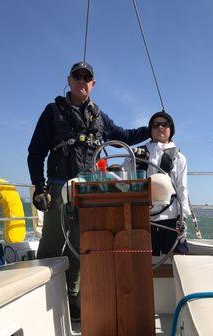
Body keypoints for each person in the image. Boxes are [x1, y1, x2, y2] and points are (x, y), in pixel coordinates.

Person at [27, 61, 150, 321]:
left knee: (80, 247)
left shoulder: (99, 116)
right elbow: (35, 152)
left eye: (87, 77)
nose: (82, 80)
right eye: (77, 76)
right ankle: (39, 297)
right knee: (51, 243)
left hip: (90, 190)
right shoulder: (52, 111)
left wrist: (151, 129)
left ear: (93, 84)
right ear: (69, 80)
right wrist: (40, 186)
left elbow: (124, 135)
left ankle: (72, 298)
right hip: (59, 186)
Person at [136, 111, 190, 256]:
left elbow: (182, 187)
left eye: (164, 124)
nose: (160, 127)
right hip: (143, 215)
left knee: (177, 256)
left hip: (171, 216)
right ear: (150, 130)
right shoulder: (136, 154)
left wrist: (182, 216)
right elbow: (123, 175)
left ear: (170, 129)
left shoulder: (179, 158)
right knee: (144, 259)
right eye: (155, 125)